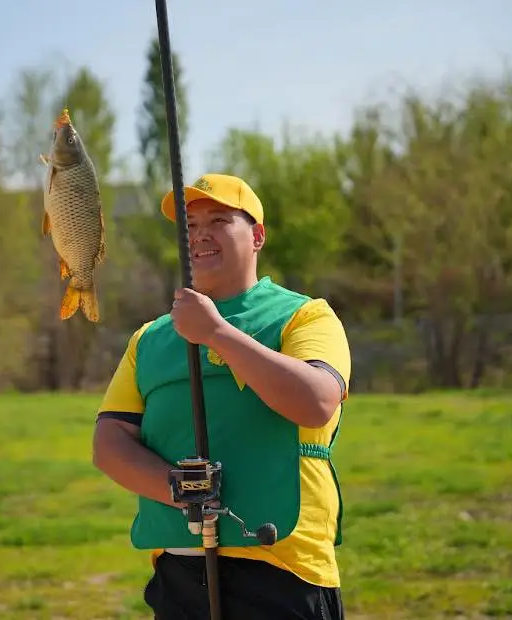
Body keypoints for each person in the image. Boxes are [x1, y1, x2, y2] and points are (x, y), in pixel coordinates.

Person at [92, 173, 351, 620]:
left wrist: (215, 333)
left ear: (257, 236)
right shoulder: (149, 338)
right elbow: (109, 440)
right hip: (180, 571)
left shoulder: (305, 316)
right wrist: (180, 490)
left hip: (284, 566)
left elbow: (316, 401)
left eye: (218, 220)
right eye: (189, 226)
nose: (200, 234)